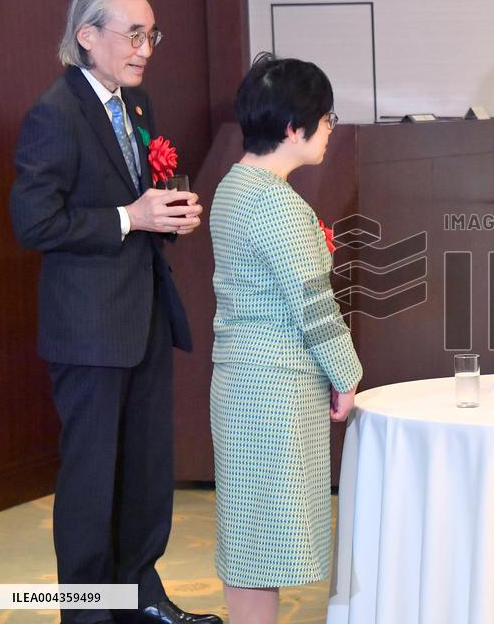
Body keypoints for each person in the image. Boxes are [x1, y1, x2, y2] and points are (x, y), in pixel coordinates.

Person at [9, 0, 217, 624]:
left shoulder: (135, 103)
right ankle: (88, 613)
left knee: (147, 473)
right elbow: (33, 221)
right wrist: (130, 216)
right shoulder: (55, 112)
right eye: (133, 33)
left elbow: (135, 201)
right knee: (91, 483)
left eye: (151, 33)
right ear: (87, 36)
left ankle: (140, 597)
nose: (145, 47)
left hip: (144, 312)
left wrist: (165, 217)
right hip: (89, 327)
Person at [209, 53, 362, 624]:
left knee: (250, 544)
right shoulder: (274, 200)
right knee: (262, 545)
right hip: (271, 390)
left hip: (243, 381)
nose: (330, 131)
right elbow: (315, 306)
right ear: (294, 129)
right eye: (326, 120)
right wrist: (347, 376)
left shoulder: (235, 184)